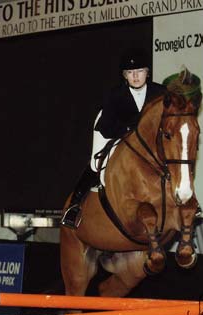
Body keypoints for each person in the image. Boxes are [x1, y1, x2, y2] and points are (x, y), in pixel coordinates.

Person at [60, 47, 166, 229]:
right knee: (96, 162)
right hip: (112, 132)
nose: (135, 76)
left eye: (140, 71)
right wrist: (129, 130)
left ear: (147, 73)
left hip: (145, 140)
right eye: (131, 72)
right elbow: (108, 125)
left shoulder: (160, 93)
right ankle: (74, 205)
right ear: (125, 76)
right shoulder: (115, 95)